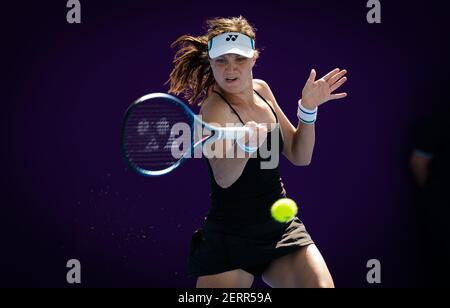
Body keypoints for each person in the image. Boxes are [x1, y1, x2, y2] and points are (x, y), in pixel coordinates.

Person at [168, 16, 348, 288]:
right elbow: (224, 177)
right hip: (229, 237)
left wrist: (308, 110)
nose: (230, 69)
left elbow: (300, 155)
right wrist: (245, 146)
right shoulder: (214, 109)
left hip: (279, 228)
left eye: (239, 59)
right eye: (221, 60)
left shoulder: (262, 90)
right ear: (211, 62)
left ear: (254, 58)